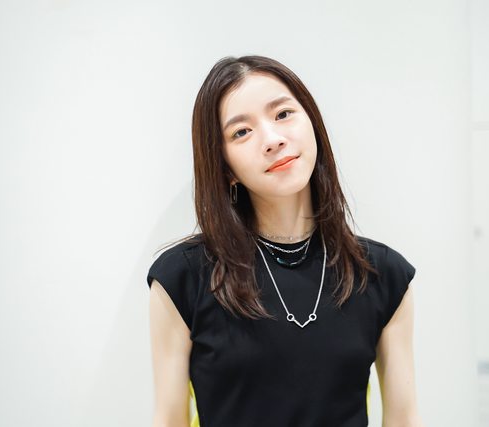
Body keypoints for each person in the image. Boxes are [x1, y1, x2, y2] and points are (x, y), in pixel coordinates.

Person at [146, 55, 422, 427]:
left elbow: (404, 419)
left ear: (313, 124)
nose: (273, 140)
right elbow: (169, 420)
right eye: (241, 132)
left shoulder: (382, 275)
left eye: (283, 114)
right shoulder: (182, 278)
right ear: (225, 168)